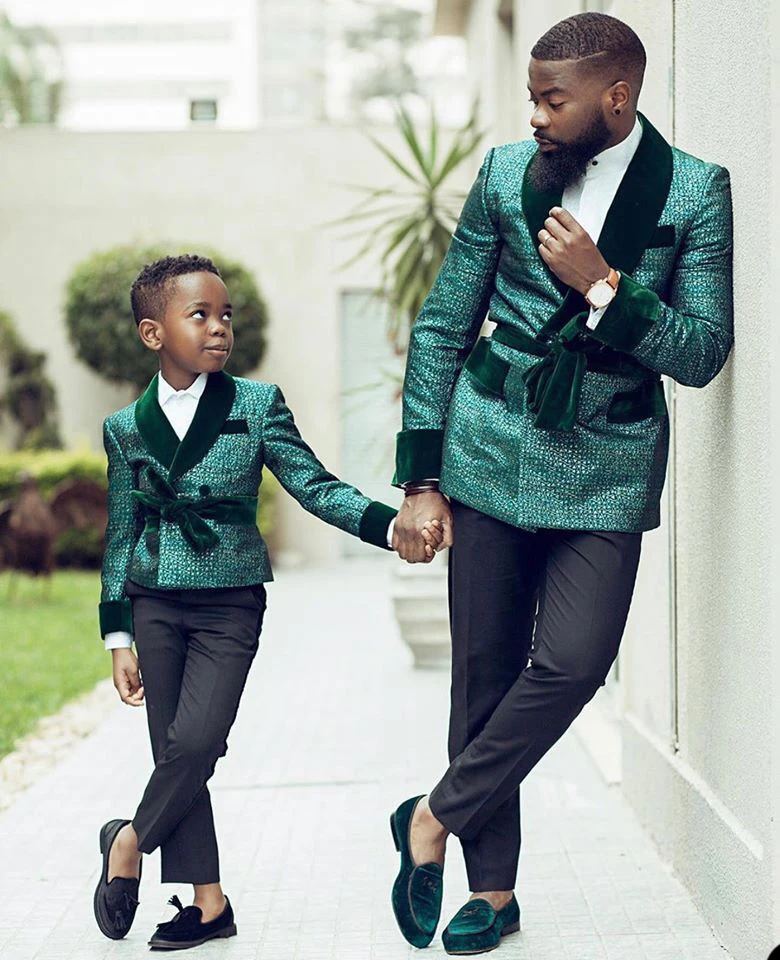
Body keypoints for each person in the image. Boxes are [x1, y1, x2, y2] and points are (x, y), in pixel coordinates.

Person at [388, 12, 733, 956]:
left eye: (554, 98)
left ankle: (432, 816)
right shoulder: (505, 174)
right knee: (483, 676)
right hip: (489, 448)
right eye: (533, 96)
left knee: (577, 662)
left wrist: (607, 288)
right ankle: (491, 895)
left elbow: (703, 352)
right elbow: (442, 324)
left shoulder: (697, 192)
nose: (535, 114)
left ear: (615, 96)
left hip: (609, 466)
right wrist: (422, 479)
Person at [93, 253, 443, 950]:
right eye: (200, 315)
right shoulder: (124, 428)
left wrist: (389, 525)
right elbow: (122, 529)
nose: (219, 328)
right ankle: (210, 904)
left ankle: (128, 842)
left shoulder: (257, 406)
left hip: (230, 605)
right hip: (154, 601)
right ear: (153, 334)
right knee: (174, 750)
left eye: (226, 315)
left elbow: (316, 487)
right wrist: (118, 635)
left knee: (198, 742)